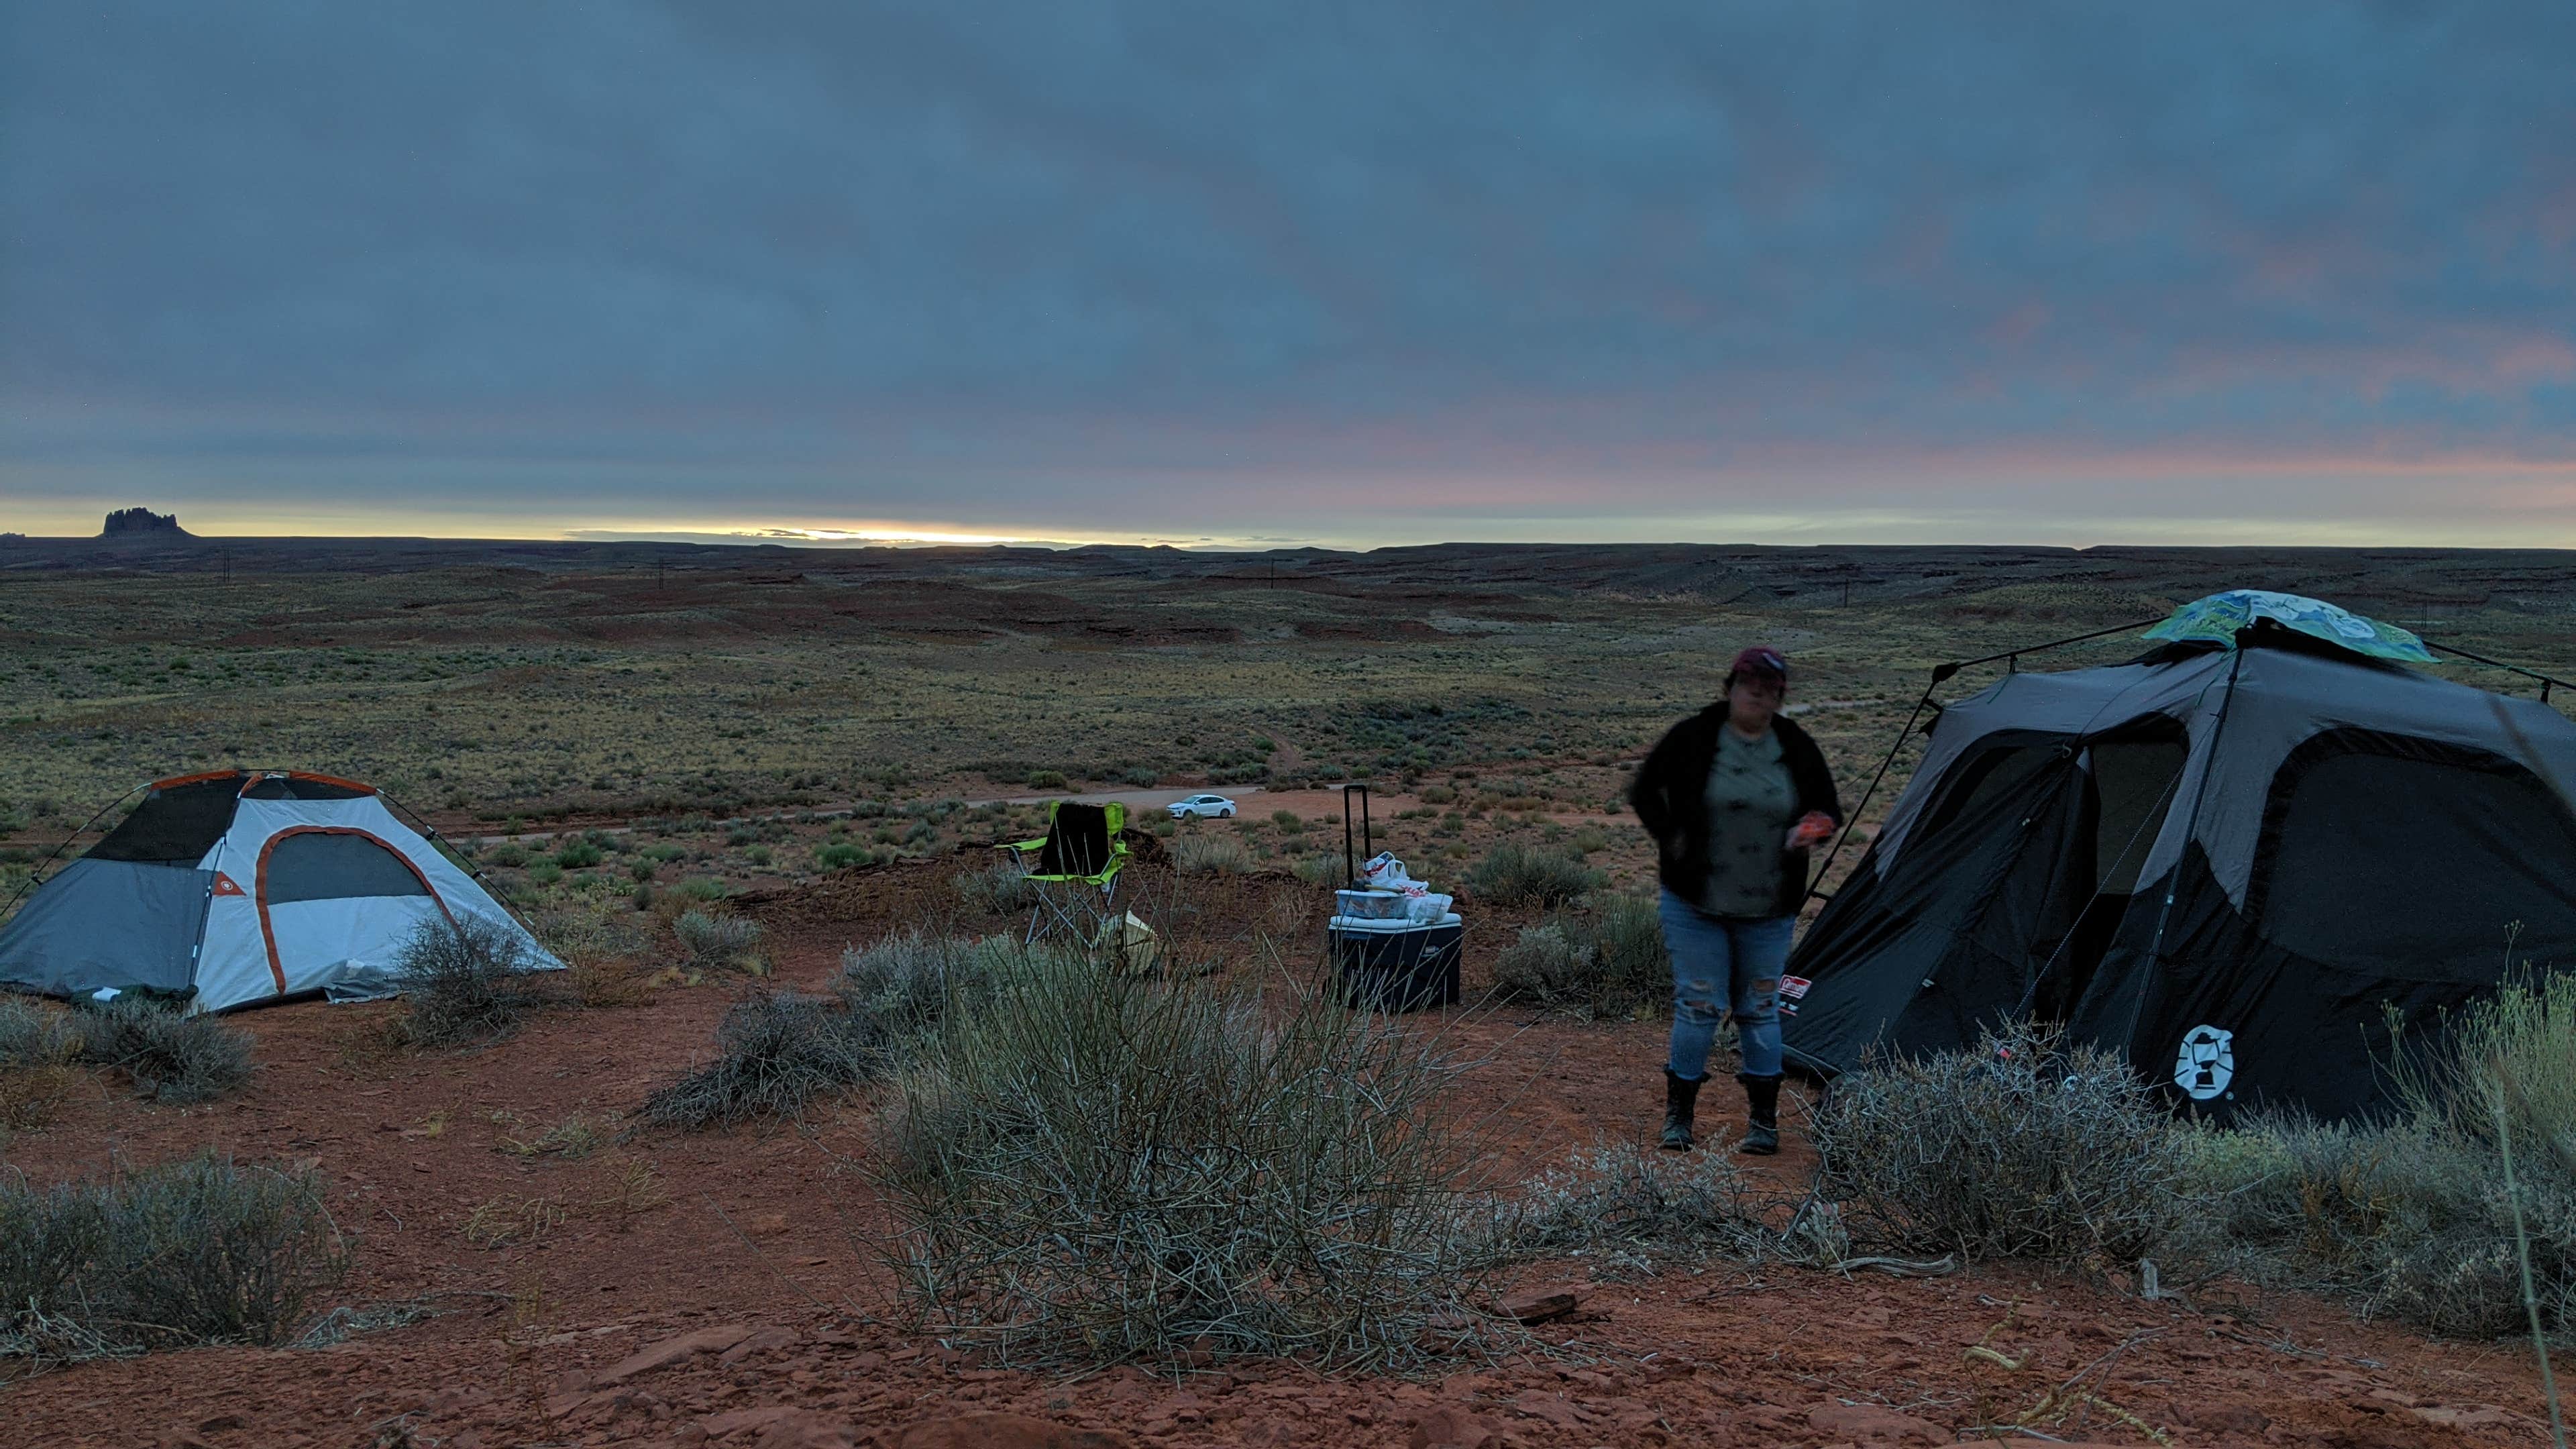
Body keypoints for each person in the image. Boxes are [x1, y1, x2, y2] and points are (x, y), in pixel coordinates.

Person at [1627, 645, 1843, 1154]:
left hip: (1769, 906)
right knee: (1700, 1003)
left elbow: (1826, 808)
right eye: (1751, 685)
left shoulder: (1796, 745)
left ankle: (1763, 1125)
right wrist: (1673, 838)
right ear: (1731, 687)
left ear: (1779, 697)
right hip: (1695, 901)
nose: (1758, 695)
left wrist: (1812, 828)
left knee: (1760, 1008)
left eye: (1770, 689)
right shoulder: (1695, 736)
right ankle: (1678, 1118)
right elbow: (1643, 791)